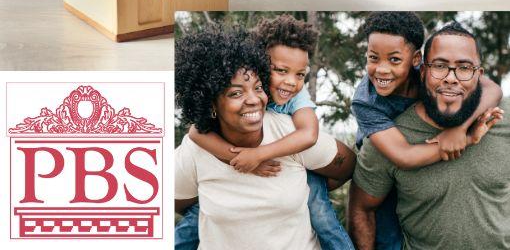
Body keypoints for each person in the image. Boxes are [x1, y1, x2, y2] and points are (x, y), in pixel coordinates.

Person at [175, 16, 355, 250]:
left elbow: (318, 143)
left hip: (302, 165)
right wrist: (238, 159)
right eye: (236, 93)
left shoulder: (291, 119)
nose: (290, 82)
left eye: (257, 88)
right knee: (188, 228)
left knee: (324, 219)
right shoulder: (197, 148)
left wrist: (260, 156)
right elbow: (195, 134)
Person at [349, 22, 507, 250]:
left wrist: (460, 128)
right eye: (440, 66)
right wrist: (465, 139)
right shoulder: (379, 128)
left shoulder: (502, 115)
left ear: (478, 74)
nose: (452, 78)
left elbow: (494, 89)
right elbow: (363, 207)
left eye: (464, 68)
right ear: (423, 70)